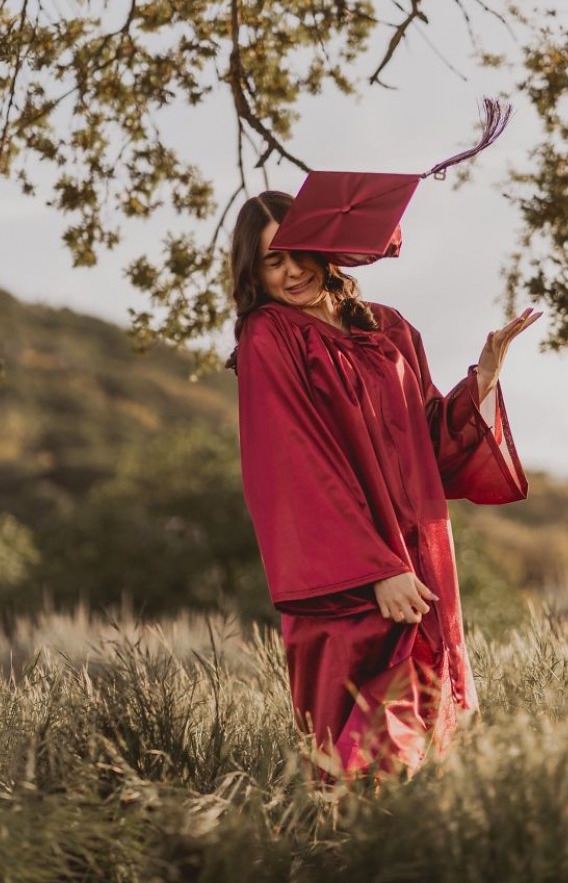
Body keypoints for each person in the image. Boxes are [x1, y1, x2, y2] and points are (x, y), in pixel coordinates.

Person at [225, 190, 540, 781]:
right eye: (271, 261)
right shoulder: (271, 337)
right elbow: (296, 463)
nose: (291, 271)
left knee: (426, 730)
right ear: (254, 272)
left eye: (296, 251)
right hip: (345, 577)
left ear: (322, 247)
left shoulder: (389, 328)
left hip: (420, 559)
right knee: (364, 749)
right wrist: (376, 569)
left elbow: (432, 442)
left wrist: (485, 380)